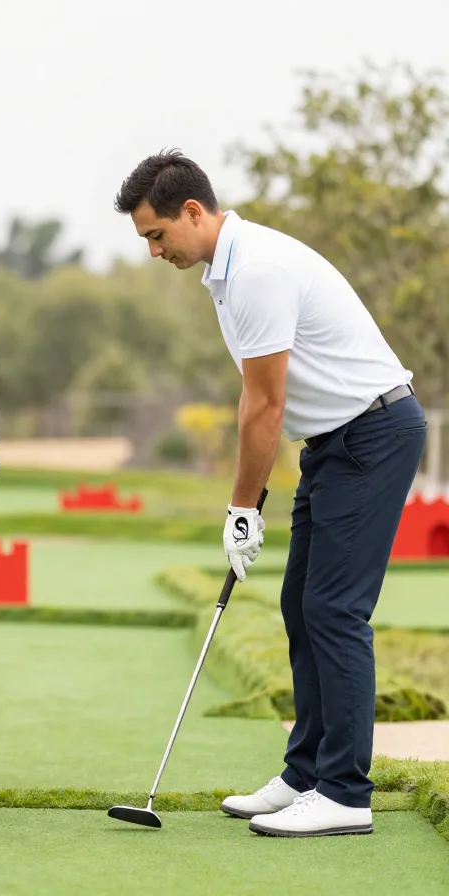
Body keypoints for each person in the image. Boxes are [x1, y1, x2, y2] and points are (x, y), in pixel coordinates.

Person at [114, 150, 426, 838]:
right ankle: (306, 773)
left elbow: (263, 407)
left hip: (373, 433)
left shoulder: (254, 269)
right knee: (300, 602)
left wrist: (241, 506)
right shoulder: (226, 271)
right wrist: (249, 503)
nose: (153, 251)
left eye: (156, 235)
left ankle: (345, 792)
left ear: (192, 212)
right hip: (335, 443)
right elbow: (260, 397)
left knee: (335, 610)